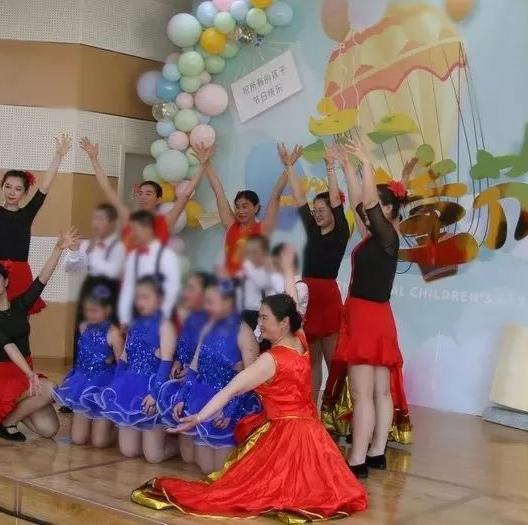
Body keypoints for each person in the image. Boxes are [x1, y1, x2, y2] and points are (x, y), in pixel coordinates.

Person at [131, 294, 367, 521]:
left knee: (249, 489)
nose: (259, 323)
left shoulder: (270, 360)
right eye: (259, 316)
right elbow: (293, 305)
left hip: (286, 436)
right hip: (312, 433)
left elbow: (231, 390)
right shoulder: (300, 341)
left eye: (265, 318)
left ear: (284, 322)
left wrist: (199, 417)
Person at [322, 139, 415, 479]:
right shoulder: (376, 238)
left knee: (365, 393)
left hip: (366, 317)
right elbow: (360, 201)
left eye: (377, 204)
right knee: (378, 392)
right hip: (376, 316)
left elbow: (369, 202)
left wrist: (366, 162)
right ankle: (375, 453)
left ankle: (358, 458)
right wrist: (346, 165)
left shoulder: (388, 236)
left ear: (388, 210)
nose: (368, 204)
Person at [0, 227, 78, 441]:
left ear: (6, 281)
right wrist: (30, 374)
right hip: (2, 377)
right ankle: (6, 423)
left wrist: (58, 249)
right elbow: (8, 345)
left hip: (21, 372)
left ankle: (7, 416)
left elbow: (42, 280)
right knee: (50, 389)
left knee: (49, 429)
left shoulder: (20, 305)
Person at [0, 119, 71, 331]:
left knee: (19, 323)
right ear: (2, 187)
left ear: (24, 193)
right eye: (8, 187)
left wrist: (58, 156)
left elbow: (44, 187)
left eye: (17, 189)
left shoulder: (26, 214)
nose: (12, 192)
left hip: (21, 272)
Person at [165, 277, 260, 474]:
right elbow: (194, 367)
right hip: (203, 395)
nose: (205, 307)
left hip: (230, 401)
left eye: (210, 302)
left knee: (218, 470)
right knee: (198, 464)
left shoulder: (244, 334)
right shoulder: (207, 328)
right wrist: (183, 396)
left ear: (228, 303)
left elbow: (251, 379)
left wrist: (230, 410)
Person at [279, 142, 350, 403]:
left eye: (322, 211)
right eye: (315, 211)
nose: (317, 215)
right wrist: (289, 165)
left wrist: (330, 166)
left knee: (333, 360)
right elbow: (300, 198)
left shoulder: (341, 232)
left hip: (327, 297)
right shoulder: (311, 228)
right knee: (312, 361)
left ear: (333, 213)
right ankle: (311, 411)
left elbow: (336, 201)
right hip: (307, 296)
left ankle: (337, 412)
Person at [100, 275, 178, 463]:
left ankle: (179, 446)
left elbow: (166, 361)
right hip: (131, 385)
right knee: (128, 451)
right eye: (138, 297)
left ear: (160, 299)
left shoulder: (164, 325)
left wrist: (155, 393)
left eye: (146, 297)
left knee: (153, 456)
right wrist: (116, 384)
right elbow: (124, 357)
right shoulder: (134, 323)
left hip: (152, 387)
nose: (140, 302)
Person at [79, 138, 206, 248]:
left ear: (158, 199)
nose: (143, 197)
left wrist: (203, 166)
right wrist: (94, 159)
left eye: (148, 194)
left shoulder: (165, 221)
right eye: (141, 193)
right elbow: (107, 188)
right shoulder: (128, 217)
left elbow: (185, 195)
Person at [191, 143, 286, 278]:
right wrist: (206, 163)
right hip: (229, 284)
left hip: (254, 285)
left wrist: (288, 167)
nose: (240, 211)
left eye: (245, 206)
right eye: (237, 206)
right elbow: (218, 191)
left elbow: (276, 195)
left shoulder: (263, 228)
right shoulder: (231, 225)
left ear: (256, 207)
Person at [53, 281, 123, 447]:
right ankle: (94, 426)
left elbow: (121, 365)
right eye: (87, 310)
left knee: (99, 442)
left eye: (95, 310)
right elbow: (82, 356)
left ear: (107, 310)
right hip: (82, 381)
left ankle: (118, 429)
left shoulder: (114, 333)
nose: (90, 314)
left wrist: (116, 392)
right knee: (78, 439)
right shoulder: (84, 326)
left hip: (103, 385)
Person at [158, 272, 212, 463]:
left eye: (191, 288)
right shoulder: (190, 318)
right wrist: (178, 362)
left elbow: (215, 360)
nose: (185, 293)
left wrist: (193, 373)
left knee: (194, 460)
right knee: (188, 458)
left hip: (203, 383)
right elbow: (183, 351)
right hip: (184, 379)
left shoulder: (212, 321)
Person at [64, 202, 126, 353]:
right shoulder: (86, 244)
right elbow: (70, 267)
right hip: (89, 296)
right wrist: (74, 251)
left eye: (101, 219)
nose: (96, 223)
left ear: (112, 222)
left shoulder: (120, 245)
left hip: (110, 297)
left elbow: (114, 270)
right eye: (95, 218)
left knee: (109, 341)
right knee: (84, 338)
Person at [118, 210, 181, 326]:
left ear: (147, 229)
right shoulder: (132, 257)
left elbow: (172, 289)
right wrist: (124, 320)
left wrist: (162, 318)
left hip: (162, 319)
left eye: (134, 229)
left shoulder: (167, 255)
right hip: (137, 317)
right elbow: (128, 288)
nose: (131, 234)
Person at [237, 234, 274, 329]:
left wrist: (248, 266)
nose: (250, 256)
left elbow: (262, 283)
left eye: (254, 252)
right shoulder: (245, 270)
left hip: (257, 314)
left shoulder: (268, 272)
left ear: (264, 253)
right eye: (248, 252)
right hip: (242, 313)